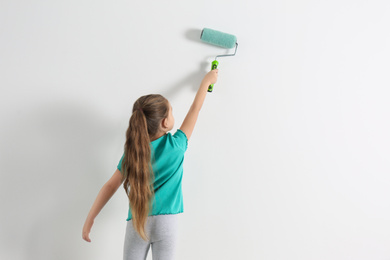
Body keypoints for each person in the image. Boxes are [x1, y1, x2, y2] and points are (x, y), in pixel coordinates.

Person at [82, 69, 219, 260]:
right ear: (164, 122)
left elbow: (110, 185)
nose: (173, 113)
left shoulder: (133, 154)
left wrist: (91, 217)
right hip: (167, 223)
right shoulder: (176, 145)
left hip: (138, 222)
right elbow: (195, 109)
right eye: (171, 111)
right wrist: (206, 82)